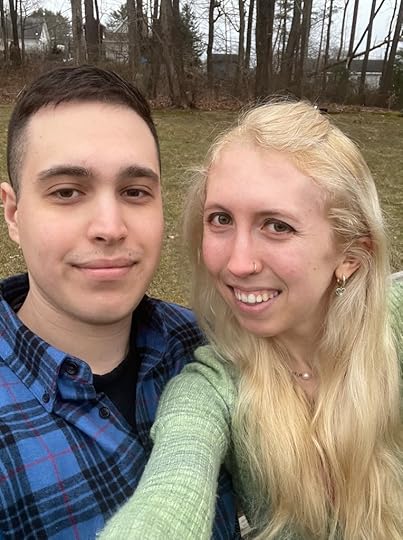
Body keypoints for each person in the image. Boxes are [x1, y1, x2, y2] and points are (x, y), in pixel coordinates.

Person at [101, 100, 403, 539]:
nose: (238, 264)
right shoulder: (212, 389)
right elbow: (172, 488)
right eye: (221, 219)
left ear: (351, 256)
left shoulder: (392, 327)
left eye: (277, 226)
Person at [0, 65, 239, 539]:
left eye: (134, 192)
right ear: (13, 213)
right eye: (67, 192)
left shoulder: (210, 345)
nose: (110, 227)